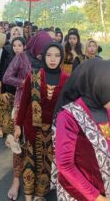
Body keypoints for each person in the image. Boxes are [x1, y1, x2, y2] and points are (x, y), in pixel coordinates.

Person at [14, 43, 69, 201]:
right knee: (30, 163)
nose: (53, 59)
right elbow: (24, 103)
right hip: (32, 128)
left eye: (57, 56)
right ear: (44, 57)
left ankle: (39, 194)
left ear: (61, 58)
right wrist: (17, 126)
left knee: (47, 164)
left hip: (54, 132)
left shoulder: (67, 79)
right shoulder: (34, 76)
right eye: (49, 55)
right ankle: (28, 195)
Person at [53, 59, 110, 201]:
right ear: (100, 86)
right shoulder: (69, 116)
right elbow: (65, 165)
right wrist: (97, 197)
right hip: (80, 193)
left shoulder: (106, 109)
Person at [1, 37, 31, 201]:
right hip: (21, 104)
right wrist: (24, 83)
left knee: (36, 145)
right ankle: (16, 180)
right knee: (18, 143)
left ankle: (34, 182)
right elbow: (6, 77)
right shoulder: (21, 57)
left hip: (41, 108)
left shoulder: (53, 58)